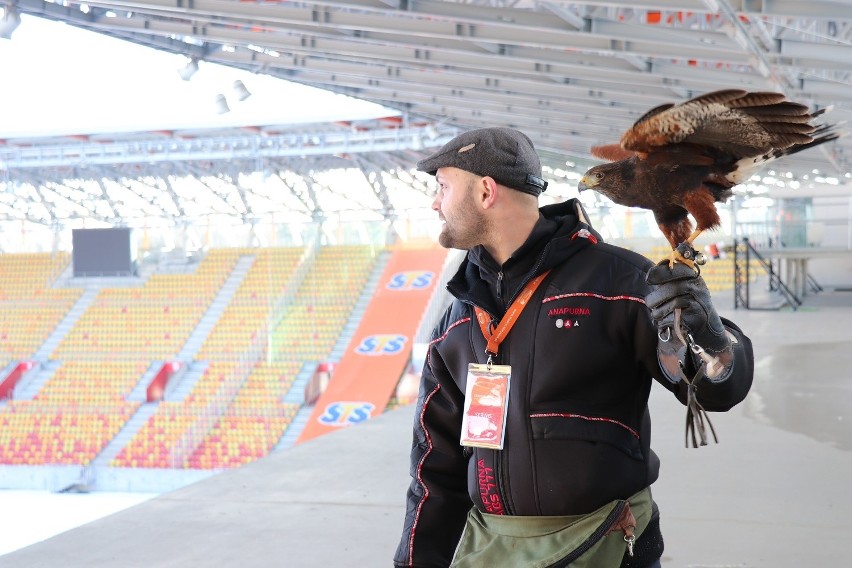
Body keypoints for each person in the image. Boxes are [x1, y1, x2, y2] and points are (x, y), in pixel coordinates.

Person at [393, 127, 754, 567]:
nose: (435, 202)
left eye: (443, 187)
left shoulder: (619, 283)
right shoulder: (458, 317)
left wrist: (712, 337)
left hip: (608, 547)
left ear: (486, 191)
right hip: (494, 552)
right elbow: (433, 467)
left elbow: (718, 389)